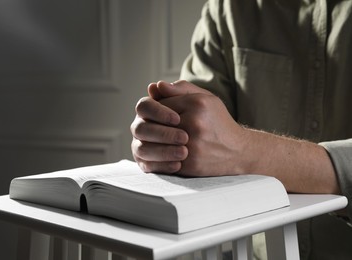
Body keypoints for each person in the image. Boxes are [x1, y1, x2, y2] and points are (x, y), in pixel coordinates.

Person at [130, 0, 352, 259]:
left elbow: (222, 145)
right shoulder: (227, 8)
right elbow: (194, 132)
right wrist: (167, 138)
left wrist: (245, 149)